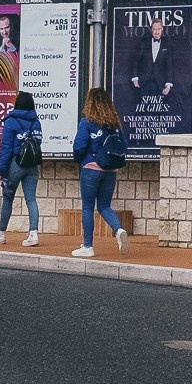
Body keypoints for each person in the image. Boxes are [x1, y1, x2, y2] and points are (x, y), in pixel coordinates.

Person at [72, 87, 129, 258]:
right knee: (104, 206)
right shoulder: (114, 125)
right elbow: (123, 146)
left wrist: (80, 160)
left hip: (91, 169)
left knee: (88, 207)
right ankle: (118, 229)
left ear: (90, 103)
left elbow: (78, 147)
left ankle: (88, 246)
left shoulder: (87, 122)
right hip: (110, 170)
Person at [0, 90, 44, 247]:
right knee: (31, 199)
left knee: (8, 199)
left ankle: (0, 233)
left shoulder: (11, 122)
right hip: (32, 166)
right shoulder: (36, 122)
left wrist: (0, 171)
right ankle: (33, 234)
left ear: (17, 104)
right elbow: (38, 142)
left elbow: (5, 148)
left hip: (15, 165)